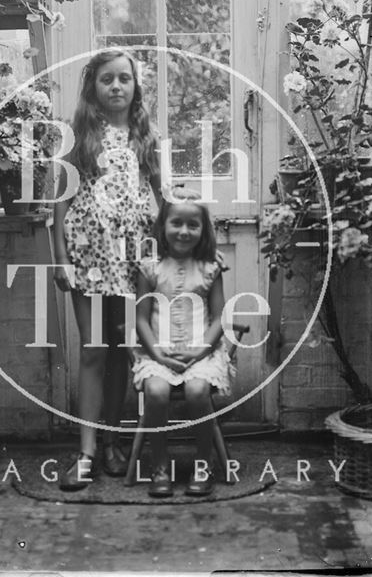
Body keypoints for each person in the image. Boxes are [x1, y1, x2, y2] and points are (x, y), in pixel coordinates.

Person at [53, 49, 161, 490]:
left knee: (123, 350)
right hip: (87, 257)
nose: (116, 86)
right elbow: (57, 205)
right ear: (92, 87)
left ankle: (115, 441)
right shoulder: (77, 135)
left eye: (124, 79)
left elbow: (162, 198)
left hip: (132, 258)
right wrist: (60, 259)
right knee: (95, 349)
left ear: (135, 86)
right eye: (107, 80)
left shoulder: (146, 136)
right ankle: (86, 452)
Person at [133, 187, 235, 498]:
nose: (184, 230)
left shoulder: (209, 267)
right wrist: (159, 356)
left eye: (193, 224)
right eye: (176, 222)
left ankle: (202, 464)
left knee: (197, 390)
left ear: (204, 229)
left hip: (201, 353)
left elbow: (219, 318)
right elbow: (140, 319)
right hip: (157, 353)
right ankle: (160, 464)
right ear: (162, 225)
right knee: (156, 391)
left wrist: (199, 350)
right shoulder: (150, 267)